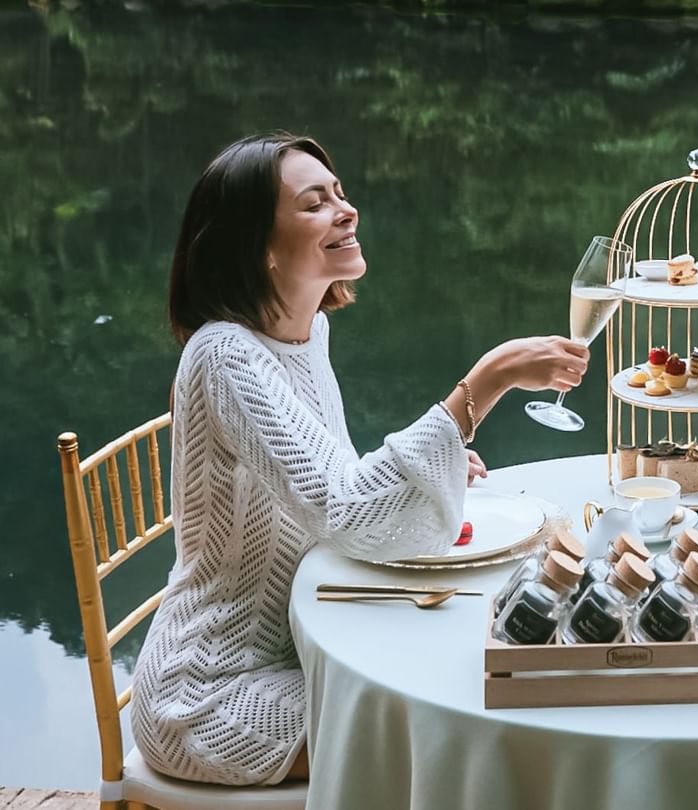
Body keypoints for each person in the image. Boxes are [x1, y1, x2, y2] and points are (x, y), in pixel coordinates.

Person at [130, 133, 589, 786]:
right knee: (454, 730)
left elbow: (337, 489)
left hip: (301, 650)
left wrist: (436, 468)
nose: (346, 211)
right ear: (258, 245)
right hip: (211, 694)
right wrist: (486, 381)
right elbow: (347, 514)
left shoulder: (306, 332)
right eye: (314, 203)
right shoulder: (225, 355)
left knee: (471, 682)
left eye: (339, 194)